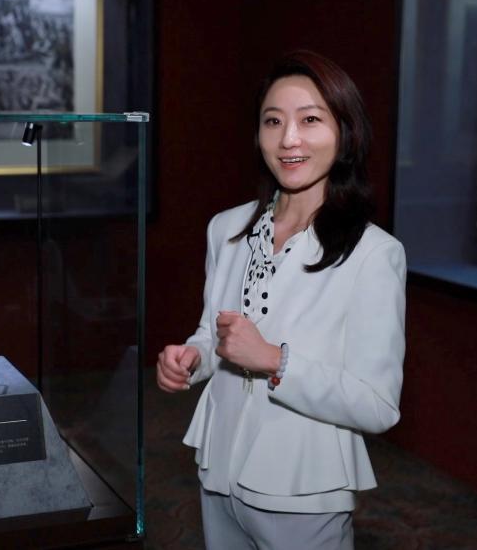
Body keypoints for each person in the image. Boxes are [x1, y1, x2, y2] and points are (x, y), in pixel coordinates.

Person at [156, 49, 406, 550]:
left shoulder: (374, 253)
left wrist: (274, 360)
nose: (289, 139)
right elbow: (213, 332)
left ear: (345, 132)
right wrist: (192, 358)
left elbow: (378, 405)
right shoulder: (226, 228)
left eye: (310, 120)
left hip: (302, 485)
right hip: (217, 467)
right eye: (273, 121)